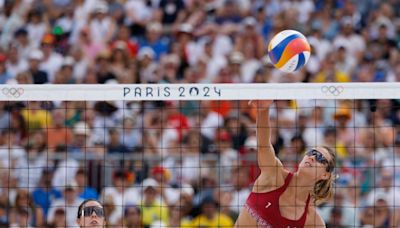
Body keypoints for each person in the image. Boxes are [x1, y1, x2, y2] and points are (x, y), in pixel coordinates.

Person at [234, 100, 336, 227]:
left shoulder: (313, 221)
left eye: (320, 158)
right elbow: (264, 145)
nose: (312, 157)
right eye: (311, 152)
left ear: (325, 175)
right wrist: (263, 111)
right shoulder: (275, 175)